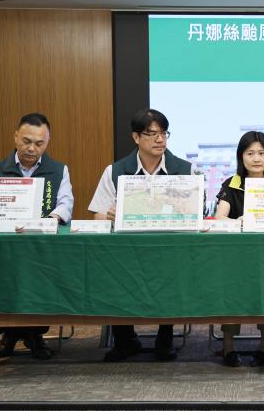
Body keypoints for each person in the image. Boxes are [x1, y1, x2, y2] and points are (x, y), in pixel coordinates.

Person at [88, 108, 198, 362]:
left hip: (170, 249)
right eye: (152, 134)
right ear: (136, 137)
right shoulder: (115, 171)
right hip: (126, 250)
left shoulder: (185, 170)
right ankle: (124, 340)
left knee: (172, 272)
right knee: (114, 272)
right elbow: (97, 215)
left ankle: (165, 338)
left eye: (164, 133)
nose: (160, 139)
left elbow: (195, 214)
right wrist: (110, 216)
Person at [0, 112, 74, 361]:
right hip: (5, 250)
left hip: (43, 248)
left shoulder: (59, 170)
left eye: (39, 143)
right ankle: (17, 335)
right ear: (15, 137)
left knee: (42, 280)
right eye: (26, 141)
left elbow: (65, 204)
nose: (32, 148)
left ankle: (25, 336)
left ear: (47, 142)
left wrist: (50, 219)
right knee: (5, 279)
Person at [213, 131, 264, 367]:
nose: (256, 158)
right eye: (250, 153)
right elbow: (219, 218)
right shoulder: (232, 184)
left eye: (262, 153)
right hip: (237, 256)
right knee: (233, 294)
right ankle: (228, 346)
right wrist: (238, 221)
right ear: (241, 156)